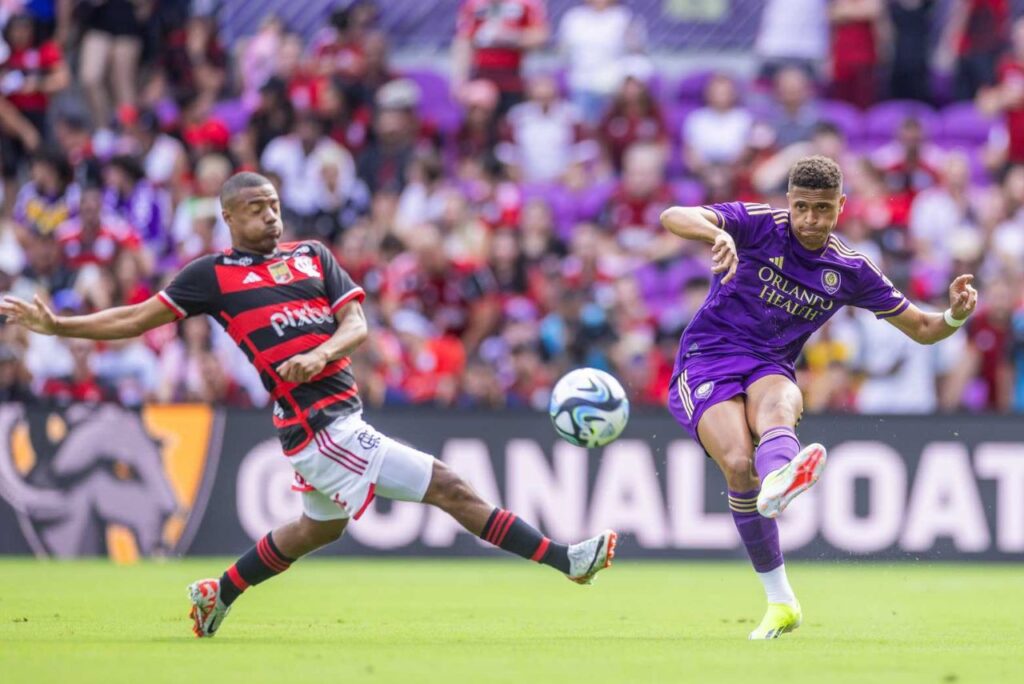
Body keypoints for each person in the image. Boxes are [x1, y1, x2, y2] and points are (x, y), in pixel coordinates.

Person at [0, 171, 617, 638]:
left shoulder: (312, 256)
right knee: (450, 487)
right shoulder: (211, 277)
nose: (270, 216)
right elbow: (135, 318)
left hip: (339, 415)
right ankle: (568, 561)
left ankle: (219, 593)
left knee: (317, 528)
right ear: (228, 218)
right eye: (254, 209)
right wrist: (61, 327)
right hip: (318, 427)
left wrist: (322, 354)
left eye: (273, 205)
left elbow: (357, 326)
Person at [658, 155, 978, 639]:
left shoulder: (849, 269)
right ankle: (780, 595)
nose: (811, 219)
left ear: (841, 206)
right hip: (708, 358)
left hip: (770, 364)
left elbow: (923, 329)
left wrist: (954, 314)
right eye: (802, 207)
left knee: (781, 402)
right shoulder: (759, 225)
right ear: (788, 203)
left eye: (823, 209)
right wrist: (716, 233)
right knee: (738, 464)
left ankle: (779, 481)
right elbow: (673, 215)